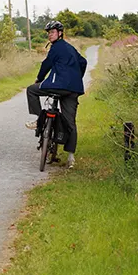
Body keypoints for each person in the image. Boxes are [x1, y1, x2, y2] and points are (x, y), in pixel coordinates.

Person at [25, 20, 87, 168]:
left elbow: (46, 65)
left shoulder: (56, 48)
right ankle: (71, 158)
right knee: (70, 122)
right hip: (73, 89)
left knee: (31, 90)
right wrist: (77, 78)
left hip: (57, 86)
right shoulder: (70, 48)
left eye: (52, 32)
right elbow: (83, 62)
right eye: (48, 33)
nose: (49, 35)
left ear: (60, 33)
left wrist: (38, 79)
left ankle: (39, 121)